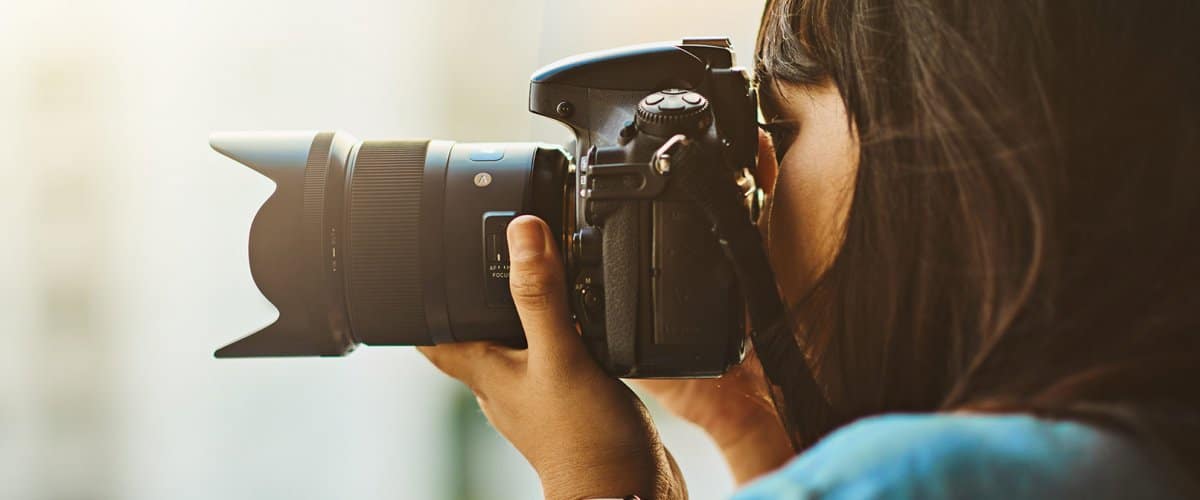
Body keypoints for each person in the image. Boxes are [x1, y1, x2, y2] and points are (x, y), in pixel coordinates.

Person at [420, 0, 1200, 498]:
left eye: (782, 135)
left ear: (942, 161)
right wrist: (757, 432)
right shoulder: (1137, 454)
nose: (756, 185)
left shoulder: (922, 477)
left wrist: (602, 482)